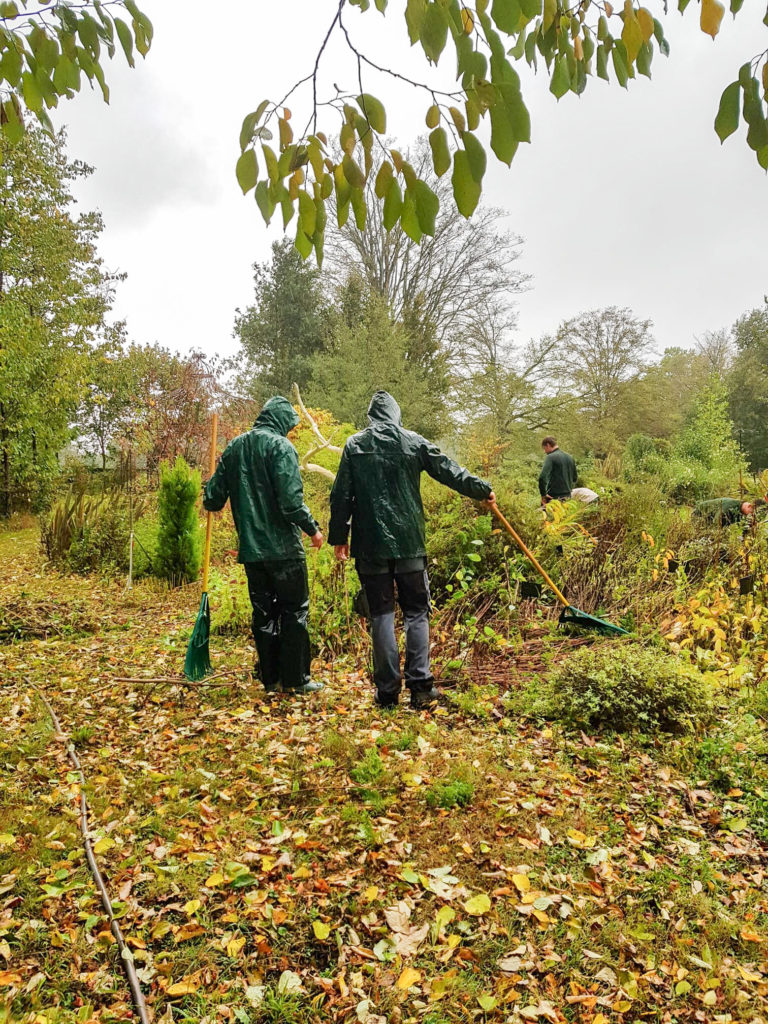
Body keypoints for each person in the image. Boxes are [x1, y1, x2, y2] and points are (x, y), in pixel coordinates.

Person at [328, 391, 494, 710]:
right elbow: (448, 470)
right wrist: (481, 489)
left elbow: (340, 496)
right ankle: (420, 688)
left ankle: (387, 693)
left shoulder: (355, 445)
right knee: (417, 613)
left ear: (372, 416)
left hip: (371, 546)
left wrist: (339, 537)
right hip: (409, 545)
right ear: (396, 414)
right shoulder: (413, 441)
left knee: (381, 616)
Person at [203, 396, 324, 696]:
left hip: (253, 553)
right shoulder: (281, 448)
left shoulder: (234, 448)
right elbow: (291, 503)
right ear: (281, 421)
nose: (291, 432)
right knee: (294, 611)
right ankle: (295, 680)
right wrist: (314, 530)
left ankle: (271, 680)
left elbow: (212, 499)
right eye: (291, 426)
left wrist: (210, 484)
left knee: (264, 614)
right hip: (284, 551)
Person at [538, 436, 577, 506]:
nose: (545, 451)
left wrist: (543, 495)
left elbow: (542, 477)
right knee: (565, 516)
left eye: (544, 448)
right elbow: (575, 478)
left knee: (547, 516)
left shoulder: (550, 457)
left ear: (548, 445)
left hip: (553, 497)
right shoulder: (570, 457)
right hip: (568, 498)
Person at [694, 497, 765, 526]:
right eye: (752, 512)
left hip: (708, 518)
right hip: (699, 515)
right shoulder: (730, 507)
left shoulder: (739, 511)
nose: (751, 515)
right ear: (749, 506)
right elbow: (716, 522)